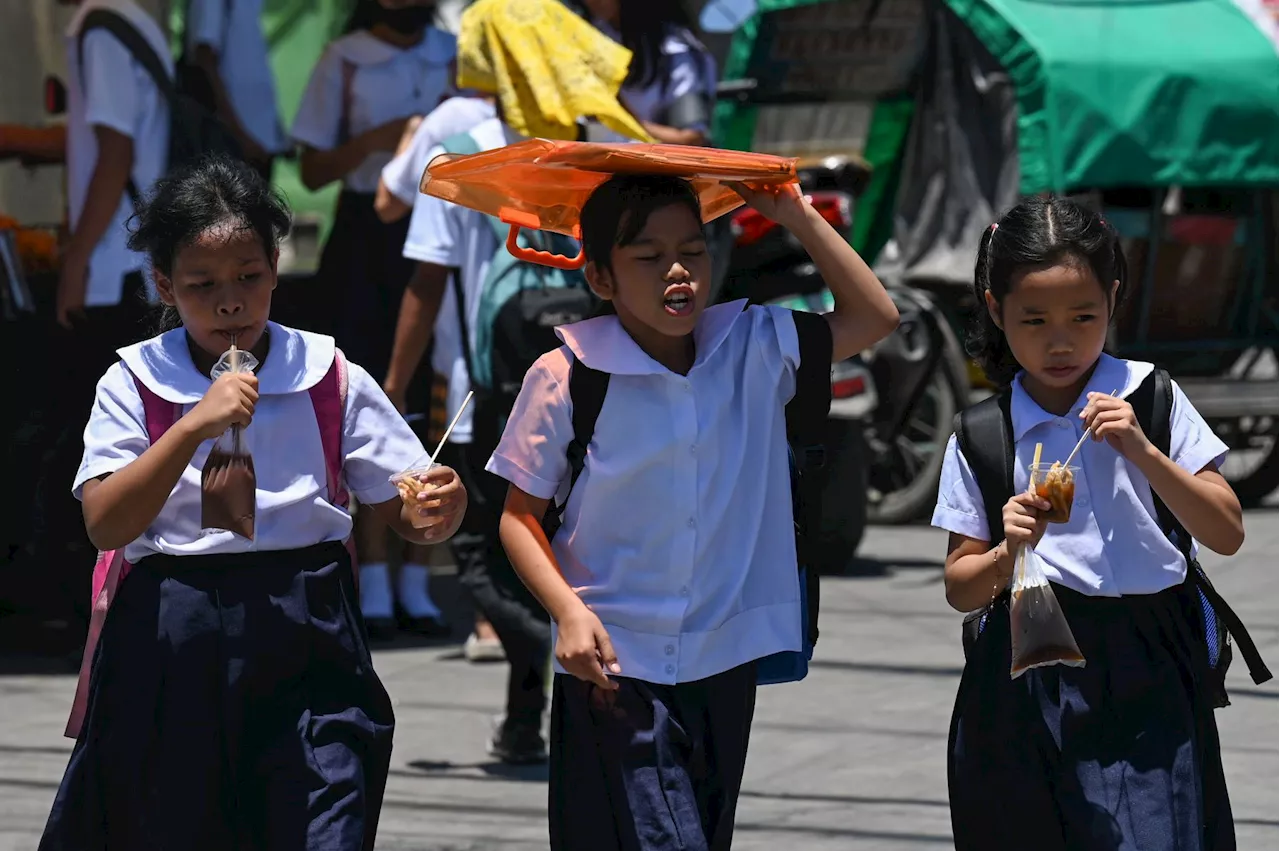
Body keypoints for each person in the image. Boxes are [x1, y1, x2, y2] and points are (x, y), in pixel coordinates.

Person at [38, 155, 467, 850]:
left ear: (275, 266)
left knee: (326, 814)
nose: (230, 302)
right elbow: (106, 520)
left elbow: (407, 502)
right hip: (176, 626)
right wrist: (192, 425)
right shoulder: (134, 383)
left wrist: (437, 505)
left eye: (249, 278)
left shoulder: (328, 373)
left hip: (308, 621)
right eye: (202, 285)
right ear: (165, 286)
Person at [489, 173, 898, 849]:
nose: (677, 270)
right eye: (648, 257)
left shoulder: (755, 344)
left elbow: (874, 317)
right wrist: (568, 611)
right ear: (600, 276)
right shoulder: (566, 374)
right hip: (614, 664)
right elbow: (517, 516)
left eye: (694, 249)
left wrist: (798, 218)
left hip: (725, 659)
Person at [382, 0, 651, 762]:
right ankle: (529, 719)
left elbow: (427, 280)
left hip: (486, 390)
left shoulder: (466, 150)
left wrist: (396, 390)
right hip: (592, 379)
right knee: (560, 545)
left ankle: (578, 661)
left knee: (478, 554)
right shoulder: (591, 146)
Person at [933, 197, 1242, 850]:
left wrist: (1144, 452)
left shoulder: (1150, 395)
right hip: (1026, 668)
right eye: (1034, 320)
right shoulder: (985, 435)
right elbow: (961, 585)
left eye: (1083, 316)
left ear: (1114, 300)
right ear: (996, 309)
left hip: (1146, 659)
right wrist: (1007, 550)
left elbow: (1226, 530)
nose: (1061, 340)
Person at [291, 0, 456, 635]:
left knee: (435, 392)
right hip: (366, 231)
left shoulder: (449, 51)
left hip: (435, 220)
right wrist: (377, 141)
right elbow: (310, 166)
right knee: (368, 392)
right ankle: (377, 579)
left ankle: (420, 579)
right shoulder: (346, 57)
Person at [576, 0, 718, 146]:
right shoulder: (581, 33)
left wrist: (621, 117)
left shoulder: (677, 52)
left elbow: (691, 139)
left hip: (644, 163)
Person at [181, 0, 289, 181]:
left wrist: (274, 132)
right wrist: (238, 135)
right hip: (233, 144)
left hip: (258, 144)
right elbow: (204, 59)